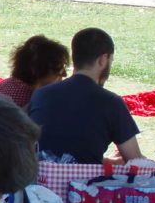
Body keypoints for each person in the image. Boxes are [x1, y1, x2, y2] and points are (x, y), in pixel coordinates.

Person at [28, 27, 143, 164]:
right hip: (85, 177)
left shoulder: (41, 95)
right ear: (103, 59)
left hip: (40, 175)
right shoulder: (111, 102)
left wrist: (111, 162)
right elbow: (136, 162)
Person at [0, 35, 70, 108]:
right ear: (38, 70)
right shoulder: (30, 101)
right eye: (58, 69)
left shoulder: (9, 84)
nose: (64, 74)